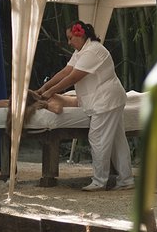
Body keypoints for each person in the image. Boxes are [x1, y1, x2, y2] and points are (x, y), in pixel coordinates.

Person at [36, 21, 134, 192]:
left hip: (105, 100)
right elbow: (65, 72)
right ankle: (126, 180)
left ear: (80, 35)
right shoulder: (81, 51)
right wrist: (44, 88)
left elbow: (73, 77)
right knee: (118, 142)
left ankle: (99, 181)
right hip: (109, 100)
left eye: (70, 38)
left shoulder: (93, 50)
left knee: (98, 139)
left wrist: (49, 92)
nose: (69, 42)